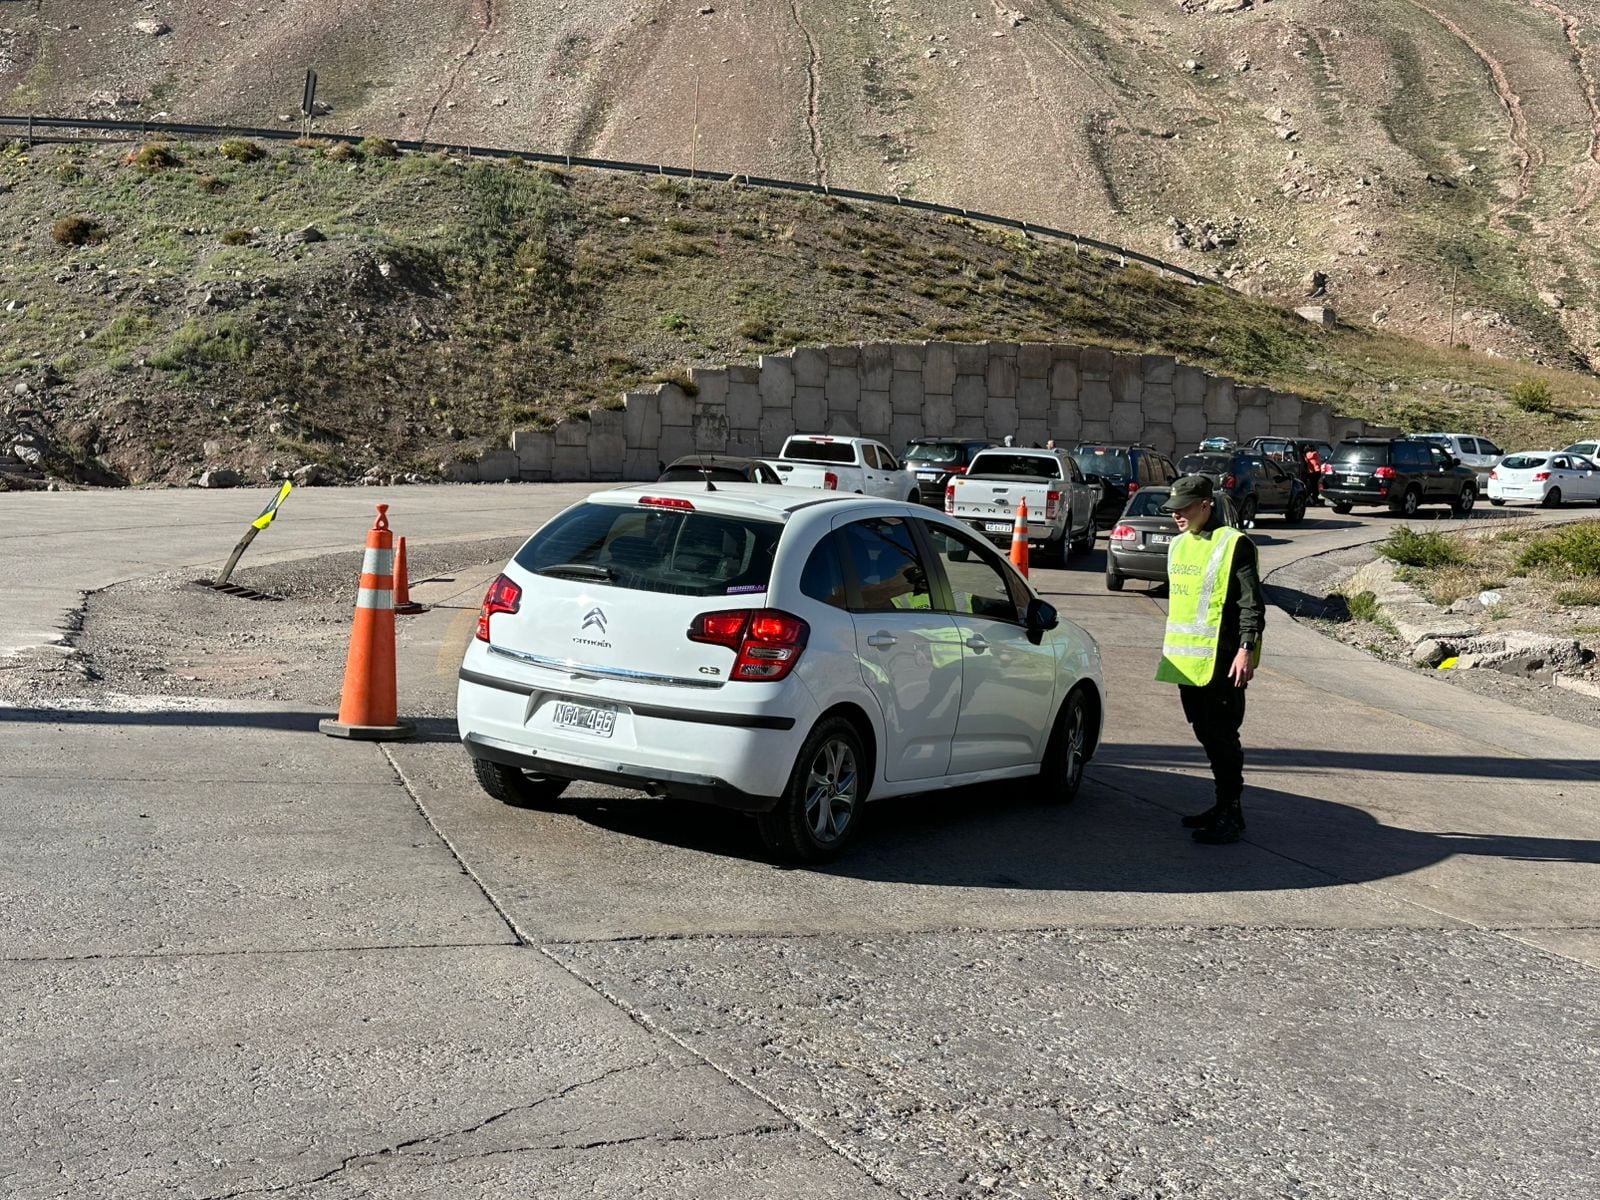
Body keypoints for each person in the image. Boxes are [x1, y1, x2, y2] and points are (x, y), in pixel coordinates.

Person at [1155, 474, 1264, 844]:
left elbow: (1251, 603)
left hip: (1224, 659)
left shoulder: (1235, 545)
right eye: (1173, 510)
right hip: (1188, 662)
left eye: (1184, 508)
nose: (1177, 516)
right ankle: (1222, 806)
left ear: (1206, 504)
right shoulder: (1179, 545)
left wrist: (1245, 649)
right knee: (1205, 733)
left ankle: (1231, 812)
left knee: (1222, 736)